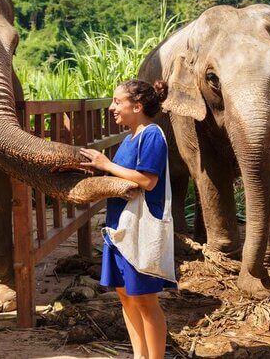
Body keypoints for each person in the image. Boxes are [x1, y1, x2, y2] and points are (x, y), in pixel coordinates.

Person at [80, 79, 176, 359]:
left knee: (146, 301)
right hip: (119, 229)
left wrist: (106, 164)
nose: (112, 107)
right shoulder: (129, 138)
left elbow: (148, 180)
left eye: (117, 102)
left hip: (140, 231)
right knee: (125, 296)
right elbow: (121, 177)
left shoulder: (152, 135)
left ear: (137, 106)